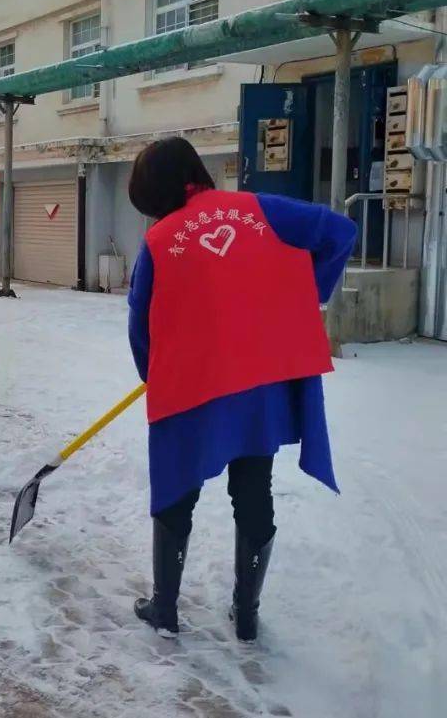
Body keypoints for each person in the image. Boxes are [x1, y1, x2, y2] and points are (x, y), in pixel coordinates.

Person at [126, 137, 357, 642]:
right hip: (260, 386)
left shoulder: (161, 240)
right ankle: (246, 614)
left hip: (192, 388)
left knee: (175, 490)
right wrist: (298, 298)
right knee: (253, 490)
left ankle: (165, 608)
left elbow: (141, 326)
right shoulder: (259, 209)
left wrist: (156, 373)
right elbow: (341, 231)